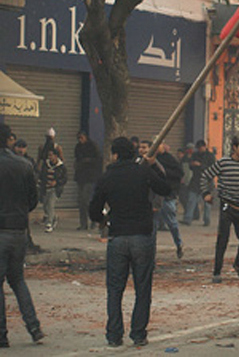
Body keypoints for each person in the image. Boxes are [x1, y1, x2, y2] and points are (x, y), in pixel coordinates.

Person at [89, 137, 170, 347]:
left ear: (115, 154)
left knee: (115, 290)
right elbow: (165, 188)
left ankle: (114, 335)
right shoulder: (142, 171)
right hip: (142, 236)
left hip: (117, 237)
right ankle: (138, 333)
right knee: (143, 288)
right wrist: (154, 165)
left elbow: (94, 210)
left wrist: (103, 219)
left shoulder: (107, 176)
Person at [0, 123, 45, 347]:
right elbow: (32, 199)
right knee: (17, 280)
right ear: (9, 139)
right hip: (18, 229)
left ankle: (1, 334)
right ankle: (34, 327)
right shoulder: (23, 165)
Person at [201, 133, 239, 283]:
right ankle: (217, 272)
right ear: (234, 148)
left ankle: (238, 265)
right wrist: (206, 193)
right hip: (227, 206)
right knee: (222, 240)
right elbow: (205, 176)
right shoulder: (223, 163)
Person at [154, 142, 185, 259]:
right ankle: (150, 250)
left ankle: (179, 244)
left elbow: (179, 173)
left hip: (167, 195)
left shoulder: (169, 159)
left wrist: (165, 173)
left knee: (172, 223)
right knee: (153, 224)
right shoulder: (152, 159)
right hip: (155, 196)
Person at [74, 130, 102, 230]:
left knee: (86, 200)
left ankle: (94, 221)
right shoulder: (78, 147)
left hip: (90, 177)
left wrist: (88, 161)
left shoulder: (92, 146)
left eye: (82, 138)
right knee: (81, 201)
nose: (80, 140)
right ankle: (83, 224)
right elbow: (77, 160)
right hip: (81, 177)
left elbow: (98, 160)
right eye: (79, 138)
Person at [184, 140, 215, 226]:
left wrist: (200, 165)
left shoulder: (210, 156)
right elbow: (190, 166)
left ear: (205, 147)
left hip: (207, 182)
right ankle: (188, 219)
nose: (200, 149)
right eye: (198, 148)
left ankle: (207, 220)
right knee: (191, 201)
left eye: (201, 148)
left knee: (207, 204)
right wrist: (193, 164)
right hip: (195, 181)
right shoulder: (195, 155)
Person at [39, 148, 67, 233]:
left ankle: (49, 224)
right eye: (49, 155)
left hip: (55, 189)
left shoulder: (61, 167)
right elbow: (41, 175)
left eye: (51, 155)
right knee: (45, 206)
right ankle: (54, 217)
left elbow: (65, 179)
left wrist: (56, 182)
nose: (50, 157)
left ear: (56, 156)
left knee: (50, 204)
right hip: (45, 188)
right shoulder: (45, 165)